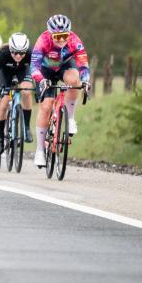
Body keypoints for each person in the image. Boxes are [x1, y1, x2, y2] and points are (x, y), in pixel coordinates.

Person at [30, 15, 90, 168]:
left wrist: (86, 80)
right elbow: (34, 67)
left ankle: (70, 118)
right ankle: (40, 151)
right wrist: (41, 80)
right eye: (58, 36)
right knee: (46, 105)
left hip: (64, 66)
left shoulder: (74, 40)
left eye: (65, 36)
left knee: (74, 81)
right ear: (50, 34)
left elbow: (83, 63)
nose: (62, 40)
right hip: (45, 70)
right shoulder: (43, 41)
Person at [0, 32, 34, 154]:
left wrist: (40, 87)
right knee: (4, 102)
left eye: (21, 53)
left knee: (26, 91)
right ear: (10, 49)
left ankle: (26, 127)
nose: (18, 56)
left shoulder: (31, 53)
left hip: (22, 71)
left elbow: (37, 72)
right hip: (5, 74)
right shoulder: (2, 53)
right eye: (15, 52)